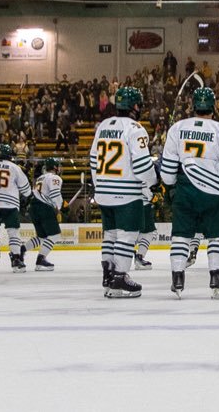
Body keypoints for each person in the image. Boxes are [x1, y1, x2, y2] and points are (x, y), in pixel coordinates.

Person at [159, 87, 219, 299]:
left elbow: (168, 165)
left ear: (193, 105)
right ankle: (216, 277)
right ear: (213, 107)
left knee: (181, 234)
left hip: (185, 189)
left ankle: (177, 277)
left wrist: (169, 187)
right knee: (217, 235)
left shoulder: (177, 128)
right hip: (213, 192)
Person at [89, 86, 155, 298]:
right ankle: (119, 278)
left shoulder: (103, 125)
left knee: (110, 235)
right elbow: (143, 165)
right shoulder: (136, 128)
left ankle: (108, 276)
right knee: (127, 236)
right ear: (135, 106)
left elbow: (92, 160)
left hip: (104, 191)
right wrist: (152, 182)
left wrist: (99, 185)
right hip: (127, 192)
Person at [0, 143, 33, 271]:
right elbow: (26, 189)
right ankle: (16, 259)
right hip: (10, 203)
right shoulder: (14, 167)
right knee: (13, 232)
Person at [26, 158, 66, 273]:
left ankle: (21, 250)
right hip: (43, 208)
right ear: (54, 167)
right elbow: (55, 194)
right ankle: (41, 259)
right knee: (55, 235)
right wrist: (59, 207)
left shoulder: (40, 177)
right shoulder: (55, 177)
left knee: (42, 237)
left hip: (33, 207)